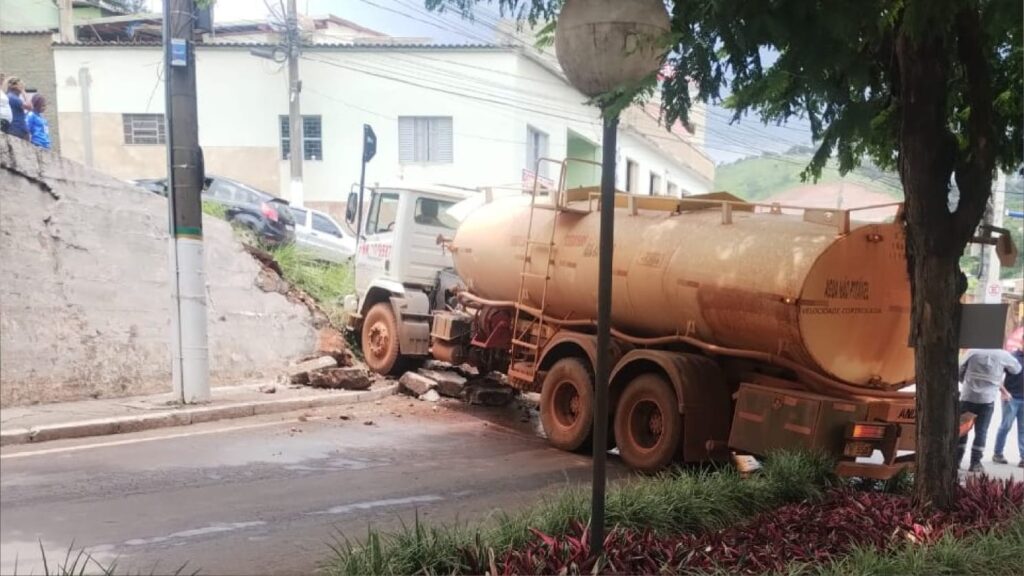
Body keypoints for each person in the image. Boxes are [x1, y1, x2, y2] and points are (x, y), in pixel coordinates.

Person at [957, 348, 1022, 473]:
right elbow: (1017, 369)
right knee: (981, 431)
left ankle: (957, 460)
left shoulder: (973, 352)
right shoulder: (1003, 355)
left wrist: (964, 381)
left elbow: (960, 369)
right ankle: (975, 463)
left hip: (968, 397)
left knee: (963, 428)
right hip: (986, 401)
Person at [992, 347, 1024, 468]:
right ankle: (998, 453)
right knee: (1006, 426)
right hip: (1011, 398)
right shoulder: (1012, 357)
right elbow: (996, 375)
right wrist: (1004, 392)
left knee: (1023, 429)